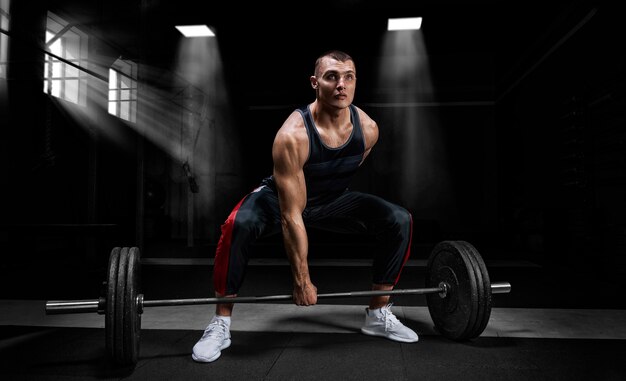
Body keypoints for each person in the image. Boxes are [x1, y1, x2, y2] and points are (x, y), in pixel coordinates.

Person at [192, 50, 418, 363]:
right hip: (279, 200)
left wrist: (330, 204)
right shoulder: (292, 136)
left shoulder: (368, 130)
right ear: (315, 82)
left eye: (348, 77)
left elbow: (340, 175)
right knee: (237, 225)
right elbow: (291, 215)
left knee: (398, 219)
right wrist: (302, 280)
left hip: (330, 199)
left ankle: (378, 313)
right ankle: (221, 323)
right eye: (331, 77)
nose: (341, 85)